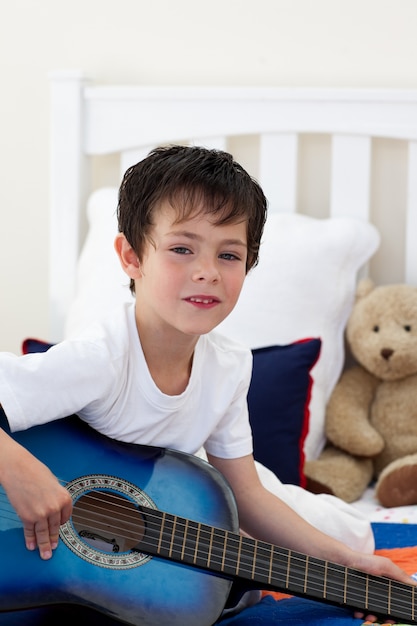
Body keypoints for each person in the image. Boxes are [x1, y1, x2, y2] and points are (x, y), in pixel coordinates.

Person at [0, 145, 412, 624]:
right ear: (132, 257)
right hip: (46, 524)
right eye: (181, 248)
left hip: (180, 491)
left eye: (229, 255)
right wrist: (21, 470)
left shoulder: (229, 366)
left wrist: (349, 567)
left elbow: (247, 494)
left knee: (350, 540)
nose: (208, 271)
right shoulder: (102, 356)